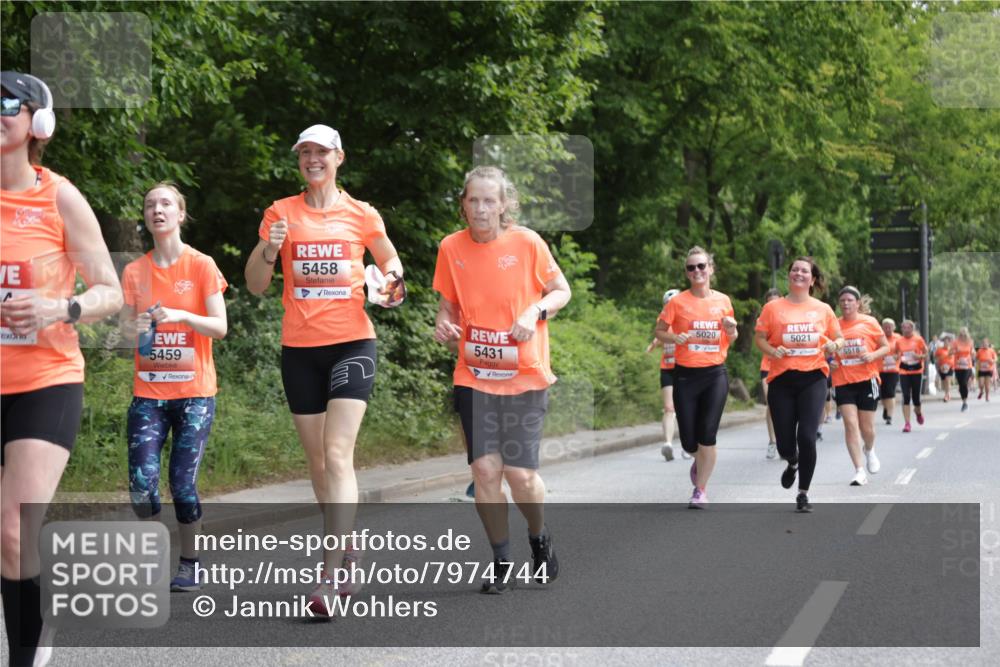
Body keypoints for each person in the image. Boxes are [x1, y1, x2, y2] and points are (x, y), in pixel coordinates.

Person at [244, 124, 405, 615]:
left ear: (339, 157)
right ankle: (348, 544)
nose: (312, 159)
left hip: (353, 343)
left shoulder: (361, 214)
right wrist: (270, 248)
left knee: (337, 454)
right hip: (300, 349)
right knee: (318, 463)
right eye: (305, 152)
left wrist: (391, 285)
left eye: (321, 152)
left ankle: (330, 576)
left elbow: (391, 265)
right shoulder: (281, 212)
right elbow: (254, 285)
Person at [1, 71, 123, 667]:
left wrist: (60, 306)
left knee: (14, 530)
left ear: (37, 123)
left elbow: (111, 291)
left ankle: (27, 650)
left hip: (44, 380)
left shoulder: (59, 197)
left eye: (7, 103)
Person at [433, 165, 570, 593]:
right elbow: (448, 306)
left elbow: (561, 289)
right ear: (463, 205)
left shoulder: (527, 242)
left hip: (524, 376)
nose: (480, 208)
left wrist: (534, 311)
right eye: (473, 200)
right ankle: (501, 558)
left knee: (520, 475)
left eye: (489, 200)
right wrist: (443, 324)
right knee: (485, 469)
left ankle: (539, 536)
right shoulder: (451, 247)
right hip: (473, 374)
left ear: (504, 204)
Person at [120, 183, 228, 591]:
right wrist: (137, 327)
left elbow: (220, 327)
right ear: (146, 217)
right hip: (149, 394)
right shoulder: (134, 271)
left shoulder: (201, 265)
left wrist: (181, 314)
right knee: (143, 486)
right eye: (150, 205)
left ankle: (190, 563)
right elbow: (127, 331)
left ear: (180, 214)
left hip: (194, 394)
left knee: (182, 483)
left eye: (166, 203)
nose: (157, 210)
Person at [755, 257, 843, 513]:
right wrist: (773, 350)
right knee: (785, 444)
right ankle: (792, 462)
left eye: (804, 271)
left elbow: (839, 338)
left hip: (813, 378)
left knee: (807, 437)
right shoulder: (773, 308)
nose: (799, 273)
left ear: (812, 279)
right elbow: (760, 339)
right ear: (789, 275)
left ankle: (803, 492)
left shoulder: (823, 309)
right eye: (794, 269)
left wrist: (833, 346)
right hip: (781, 379)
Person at [654, 247, 738, 509]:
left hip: (715, 374)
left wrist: (732, 331)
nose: (697, 271)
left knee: (707, 435)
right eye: (691, 268)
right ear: (686, 273)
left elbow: (730, 338)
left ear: (711, 268)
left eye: (701, 266)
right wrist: (673, 337)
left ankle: (700, 490)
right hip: (685, 376)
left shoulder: (723, 301)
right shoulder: (678, 302)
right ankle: (698, 460)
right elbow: (659, 330)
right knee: (690, 440)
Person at [830, 288, 890, 487]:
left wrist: (872, 356)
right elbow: (826, 351)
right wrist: (829, 361)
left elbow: (885, 347)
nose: (845, 304)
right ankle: (859, 470)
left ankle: (869, 449)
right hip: (843, 380)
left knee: (868, 428)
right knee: (850, 424)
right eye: (842, 300)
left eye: (849, 300)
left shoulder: (869, 322)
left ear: (857, 303)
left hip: (867, 379)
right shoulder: (834, 325)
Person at [646, 288, 680, 461]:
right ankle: (667, 443)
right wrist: (652, 345)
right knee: (669, 408)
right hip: (667, 368)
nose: (670, 307)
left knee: (686, 408)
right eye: (667, 305)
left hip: (685, 368)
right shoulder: (662, 319)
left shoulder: (686, 319)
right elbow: (660, 335)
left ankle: (692, 443)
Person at [759, 288, 782, 459]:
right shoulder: (763, 319)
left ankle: (785, 440)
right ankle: (772, 441)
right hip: (768, 365)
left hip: (784, 366)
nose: (771, 305)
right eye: (769, 302)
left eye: (775, 301)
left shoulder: (789, 316)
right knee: (771, 403)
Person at [896, 319, 928, 432]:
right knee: (906, 397)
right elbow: (897, 353)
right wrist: (898, 357)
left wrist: (918, 357)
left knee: (916, 398)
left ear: (912, 329)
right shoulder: (899, 341)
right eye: (903, 328)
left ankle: (918, 413)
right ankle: (907, 423)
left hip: (916, 371)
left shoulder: (918, 339)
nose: (905, 330)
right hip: (904, 370)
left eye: (908, 327)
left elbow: (926, 353)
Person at [879, 317, 901, 425]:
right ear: (882, 328)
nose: (888, 328)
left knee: (890, 393)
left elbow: (903, 351)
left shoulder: (898, 338)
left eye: (890, 326)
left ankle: (889, 416)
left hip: (893, 369)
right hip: (880, 369)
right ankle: (886, 408)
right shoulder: (879, 337)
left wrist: (897, 356)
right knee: (883, 394)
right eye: (885, 326)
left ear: (894, 327)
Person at [951, 327, 975, 412]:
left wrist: (973, 353)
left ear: (967, 334)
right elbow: (950, 352)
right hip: (958, 366)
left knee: (964, 383)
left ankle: (965, 403)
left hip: (967, 366)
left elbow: (973, 352)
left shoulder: (970, 342)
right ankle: (964, 401)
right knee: (961, 385)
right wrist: (954, 351)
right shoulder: (955, 342)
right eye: (961, 334)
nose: (962, 336)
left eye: (964, 334)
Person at [935, 333, 954, 402]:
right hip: (942, 368)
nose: (946, 343)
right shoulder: (939, 350)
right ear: (943, 342)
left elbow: (955, 358)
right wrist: (938, 368)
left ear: (950, 342)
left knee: (947, 380)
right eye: (945, 341)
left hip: (950, 367)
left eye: (948, 341)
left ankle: (947, 395)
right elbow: (936, 359)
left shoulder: (952, 349)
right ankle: (947, 393)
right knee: (943, 383)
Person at [977, 338, 996, 402]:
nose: (985, 344)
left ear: (988, 343)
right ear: (982, 344)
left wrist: (992, 360)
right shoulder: (979, 351)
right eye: (983, 343)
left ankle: (987, 396)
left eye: (986, 343)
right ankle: (981, 391)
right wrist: (979, 362)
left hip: (989, 369)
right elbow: (976, 358)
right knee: (981, 384)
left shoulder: (991, 350)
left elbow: (995, 358)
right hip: (981, 369)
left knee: (987, 385)